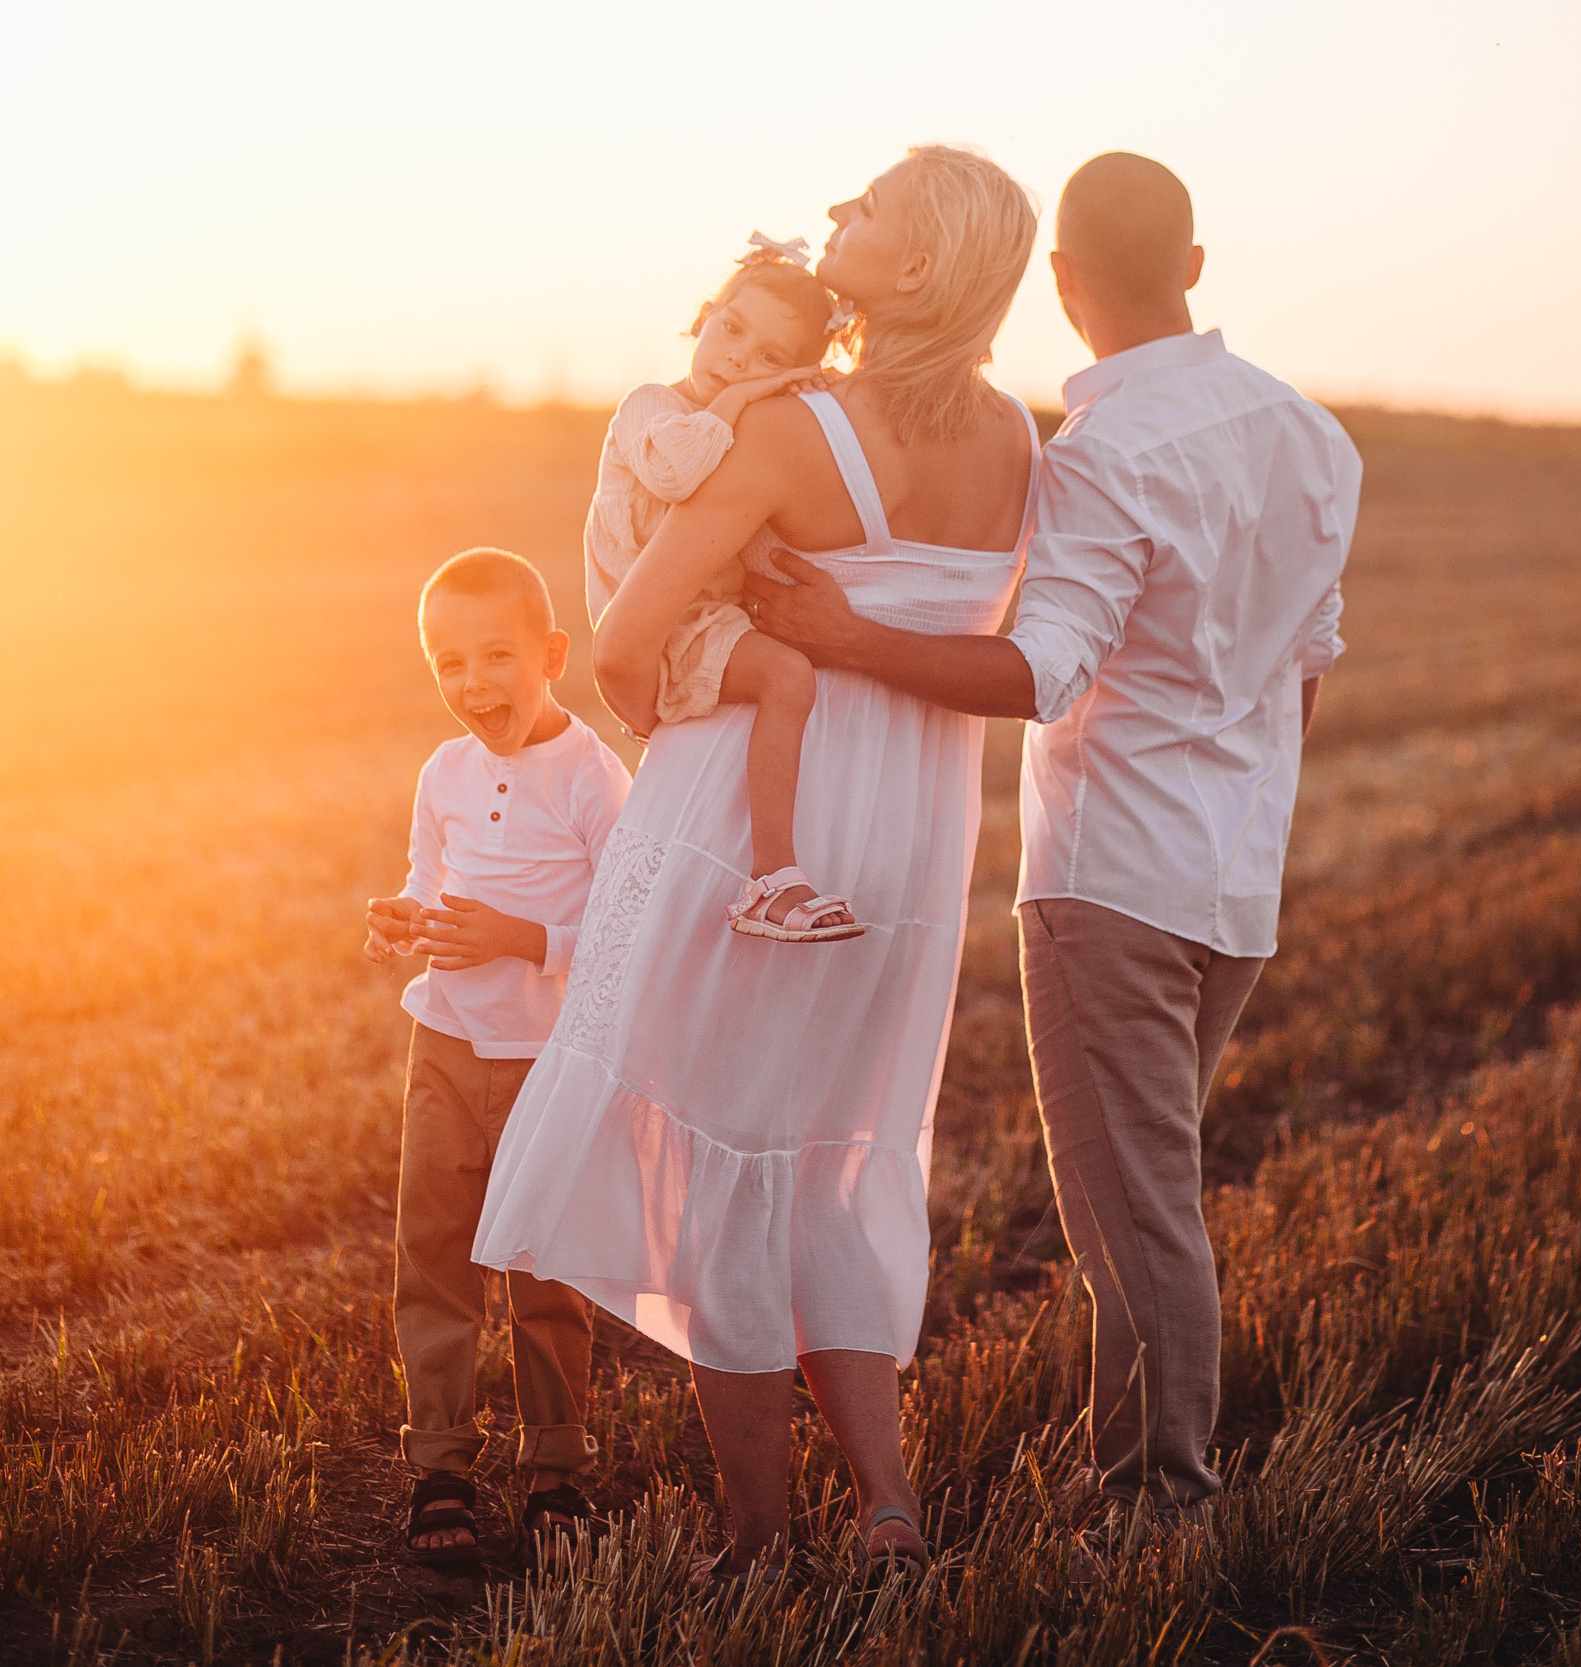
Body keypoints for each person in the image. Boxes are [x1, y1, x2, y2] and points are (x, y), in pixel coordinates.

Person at [746, 152, 1362, 1546]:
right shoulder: (1314, 437)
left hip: (1108, 883)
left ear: (1064, 287)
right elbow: (1306, 665)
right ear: (1194, 268)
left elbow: (1038, 672)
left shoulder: (1101, 455)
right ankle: (1135, 1479)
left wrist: (841, 637)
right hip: (1229, 886)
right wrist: (1238, 797)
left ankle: (1157, 1507)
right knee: (1149, 1192)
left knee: (1133, 1216)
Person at [474, 145, 1040, 1582]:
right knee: (830, 1160)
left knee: (717, 1161)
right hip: (903, 832)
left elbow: (620, 640)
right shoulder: (1015, 445)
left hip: (744, 826)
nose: (838, 214)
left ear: (908, 271)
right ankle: (889, 1505)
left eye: (868, 209)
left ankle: (758, 1533)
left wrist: (654, 718)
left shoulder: (788, 428)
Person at [364, 547, 632, 1569]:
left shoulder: (592, 775)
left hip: (544, 1055)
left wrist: (523, 939)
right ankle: (439, 1459)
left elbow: (624, 920)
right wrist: (403, 921)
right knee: (432, 1253)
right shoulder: (443, 769)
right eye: (448, 663)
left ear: (551, 652)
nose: (473, 685)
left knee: (542, 1263)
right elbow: (430, 881)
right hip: (443, 1040)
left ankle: (554, 1463)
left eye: (496, 656)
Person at [584, 237, 861, 943]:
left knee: (802, 662)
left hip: (700, 616)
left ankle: (774, 863)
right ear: (704, 315)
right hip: (659, 626)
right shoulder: (651, 406)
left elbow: (749, 533)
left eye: (769, 358)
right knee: (787, 677)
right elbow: (679, 474)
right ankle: (772, 875)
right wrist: (744, 397)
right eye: (732, 329)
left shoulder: (739, 428)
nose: (737, 358)